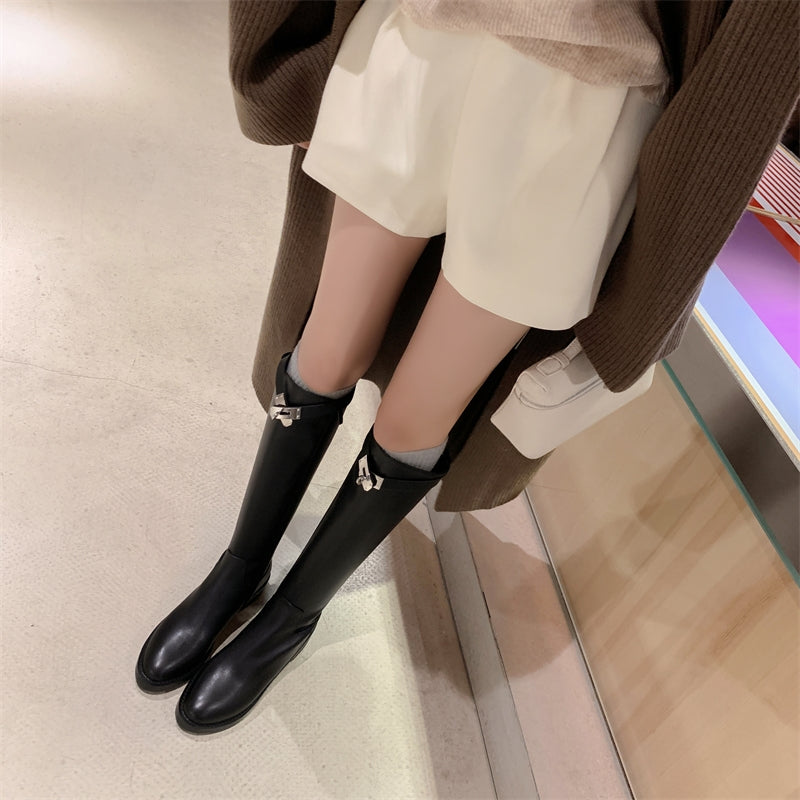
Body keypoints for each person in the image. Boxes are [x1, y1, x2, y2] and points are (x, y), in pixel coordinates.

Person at [136, 0, 799, 734]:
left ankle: (292, 615)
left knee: (418, 415)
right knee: (324, 350)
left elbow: (764, 47)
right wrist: (272, 56)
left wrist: (665, 265)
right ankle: (241, 566)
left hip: (583, 95)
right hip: (417, 37)